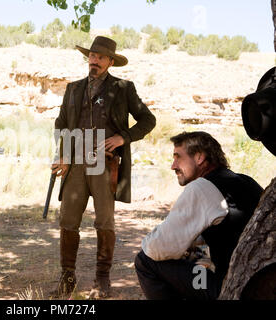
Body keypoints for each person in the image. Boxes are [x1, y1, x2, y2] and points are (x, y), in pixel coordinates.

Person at [51, 36, 156, 299]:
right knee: (68, 221)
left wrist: (124, 137)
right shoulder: (73, 88)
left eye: (100, 57)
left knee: (104, 222)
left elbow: (148, 119)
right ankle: (67, 279)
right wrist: (62, 154)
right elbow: (61, 124)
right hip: (74, 163)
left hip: (105, 164)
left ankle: (102, 279)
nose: (94, 61)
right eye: (92, 56)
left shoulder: (123, 88)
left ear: (110, 62)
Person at [134, 131, 263, 300]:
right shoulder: (246, 180)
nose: (173, 166)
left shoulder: (202, 187)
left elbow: (156, 248)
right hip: (258, 280)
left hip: (227, 287)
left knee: (145, 260)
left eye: (178, 157)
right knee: (196, 257)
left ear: (200, 158)